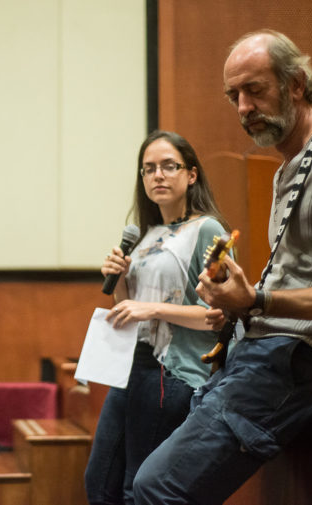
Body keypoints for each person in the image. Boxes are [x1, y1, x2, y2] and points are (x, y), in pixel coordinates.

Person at [131, 30, 312, 504]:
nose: (243, 107)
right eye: (234, 96)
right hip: (263, 351)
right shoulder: (288, 166)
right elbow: (301, 273)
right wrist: (236, 301)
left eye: (254, 89)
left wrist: (260, 300)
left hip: (304, 357)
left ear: (295, 84)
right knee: (141, 480)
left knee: (155, 488)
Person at [84, 130, 231, 504]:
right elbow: (130, 307)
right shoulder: (147, 234)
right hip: (132, 363)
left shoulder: (207, 229)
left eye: (169, 166)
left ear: (191, 174)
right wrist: (120, 279)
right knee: (99, 483)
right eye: (148, 169)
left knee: (138, 488)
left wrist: (152, 308)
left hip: (172, 372)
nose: (158, 176)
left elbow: (219, 313)